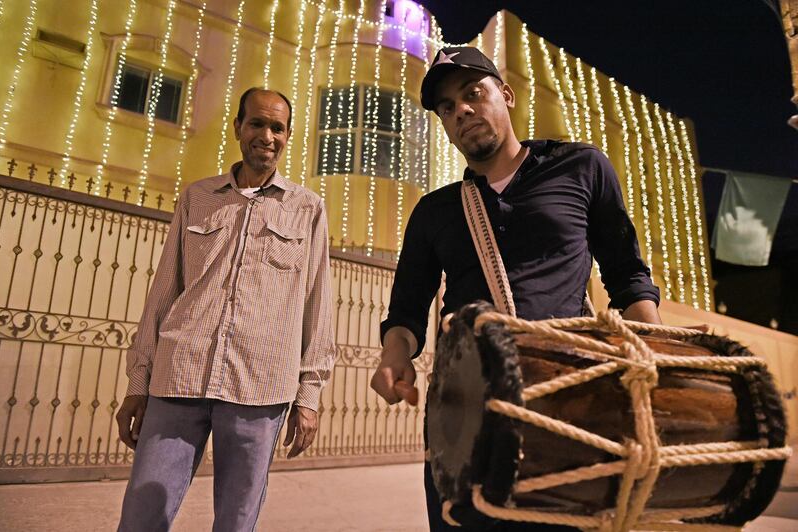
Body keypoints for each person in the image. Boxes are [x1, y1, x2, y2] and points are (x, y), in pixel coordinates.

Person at [370, 47, 662, 531]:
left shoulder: (581, 167)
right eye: (447, 107)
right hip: (463, 415)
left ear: (504, 95)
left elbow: (628, 273)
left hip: (569, 405)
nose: (461, 110)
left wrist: (653, 360)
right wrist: (393, 357)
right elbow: (405, 311)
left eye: (473, 93)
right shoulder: (433, 211)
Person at [115, 88, 335, 532]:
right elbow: (163, 291)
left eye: (277, 127)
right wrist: (138, 383)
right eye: (256, 123)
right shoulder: (198, 197)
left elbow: (318, 305)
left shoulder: (307, 209)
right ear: (238, 127)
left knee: (236, 522)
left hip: (261, 388)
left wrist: (308, 397)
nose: (266, 135)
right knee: (141, 516)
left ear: (288, 136)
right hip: (179, 376)